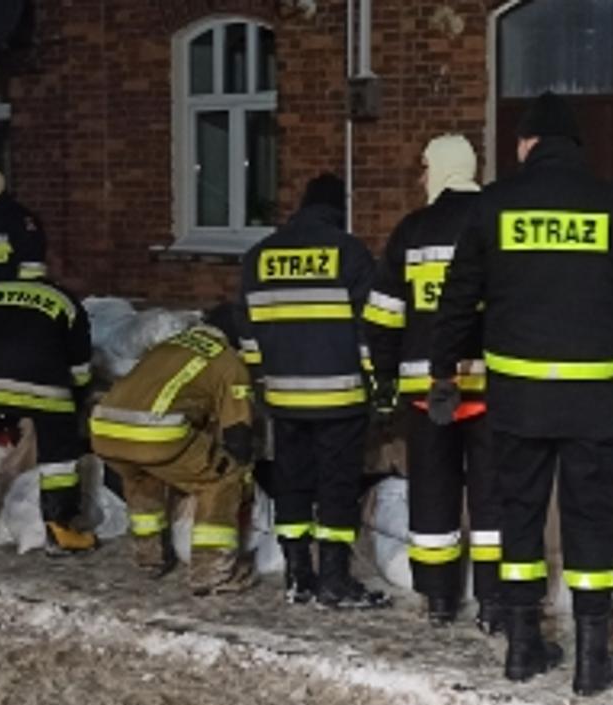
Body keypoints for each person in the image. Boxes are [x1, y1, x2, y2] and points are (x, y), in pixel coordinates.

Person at [429, 92, 613, 696]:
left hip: (518, 397)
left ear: (526, 144)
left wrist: (443, 375)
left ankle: (522, 647)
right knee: (590, 519)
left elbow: (457, 299)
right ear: (576, 147)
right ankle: (592, 661)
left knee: (519, 515)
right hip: (591, 398)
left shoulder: (495, 205)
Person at [363, 134, 502, 630]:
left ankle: (440, 600)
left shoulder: (413, 231)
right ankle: (493, 603)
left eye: (423, 168)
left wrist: (381, 379)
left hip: (425, 393)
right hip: (492, 392)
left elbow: (383, 317)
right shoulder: (497, 221)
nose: (420, 179)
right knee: (493, 497)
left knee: (433, 494)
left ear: (441, 169)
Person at [238, 173, 386, 609]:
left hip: (284, 398)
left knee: (293, 484)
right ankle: (335, 581)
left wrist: (264, 380)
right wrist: (377, 385)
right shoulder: (350, 253)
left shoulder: (258, 256)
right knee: (337, 487)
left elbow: (248, 333)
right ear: (339, 210)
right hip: (339, 397)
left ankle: (298, 576)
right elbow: (369, 332)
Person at [89, 306, 258, 595]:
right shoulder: (228, 361)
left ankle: (149, 557)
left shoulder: (167, 346)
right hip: (157, 434)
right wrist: (242, 471)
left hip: (104, 428)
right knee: (221, 480)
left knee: (143, 477)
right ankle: (211, 573)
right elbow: (238, 431)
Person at [0, 265, 94, 557]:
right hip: (43, 386)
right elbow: (80, 367)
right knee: (58, 456)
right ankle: (60, 530)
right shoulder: (65, 301)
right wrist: (74, 399)